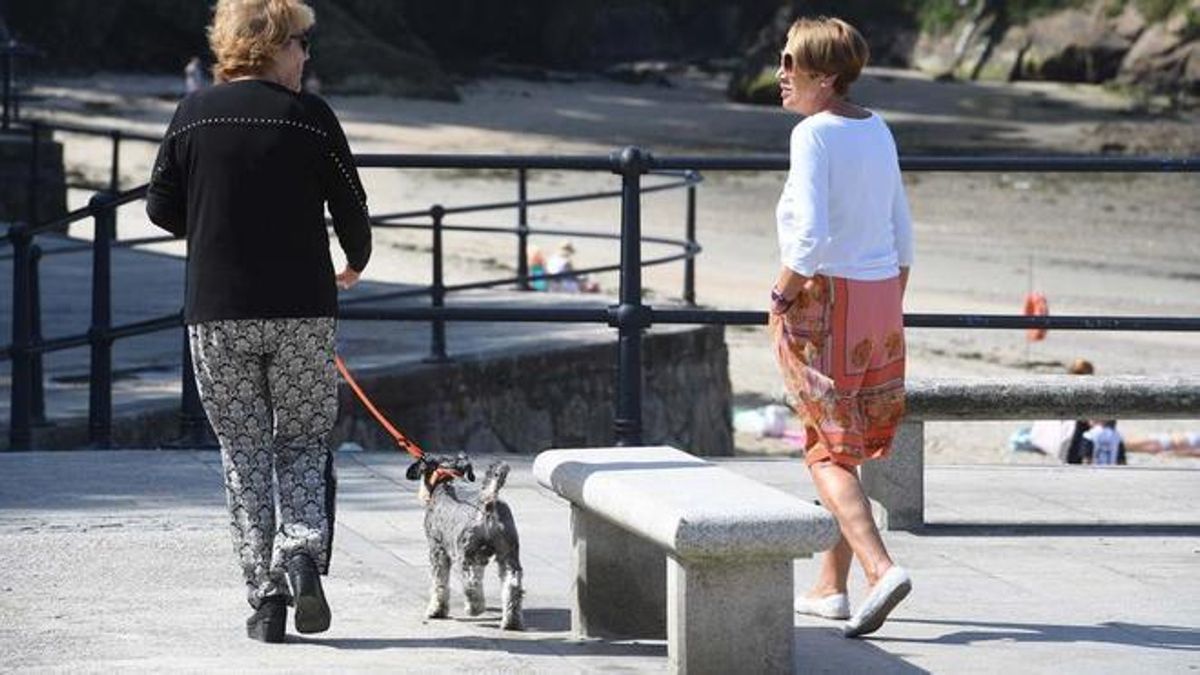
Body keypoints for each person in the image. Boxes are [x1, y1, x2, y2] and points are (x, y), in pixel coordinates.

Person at [146, 0, 371, 644]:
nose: (306, 55)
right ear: (269, 44)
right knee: (300, 441)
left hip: (218, 313)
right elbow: (353, 209)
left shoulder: (191, 114)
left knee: (243, 451)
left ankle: (266, 602)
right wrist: (354, 262)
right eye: (300, 43)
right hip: (302, 307)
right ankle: (300, 552)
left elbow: (163, 208)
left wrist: (215, 220)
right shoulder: (312, 118)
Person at [768, 17, 914, 639]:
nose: (780, 75)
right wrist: (891, 291)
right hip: (880, 293)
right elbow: (899, 222)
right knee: (848, 445)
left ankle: (881, 569)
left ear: (823, 78)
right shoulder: (876, 128)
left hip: (827, 295)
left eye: (790, 65)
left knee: (824, 448)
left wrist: (782, 293)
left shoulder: (813, 134)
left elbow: (809, 237)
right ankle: (831, 587)